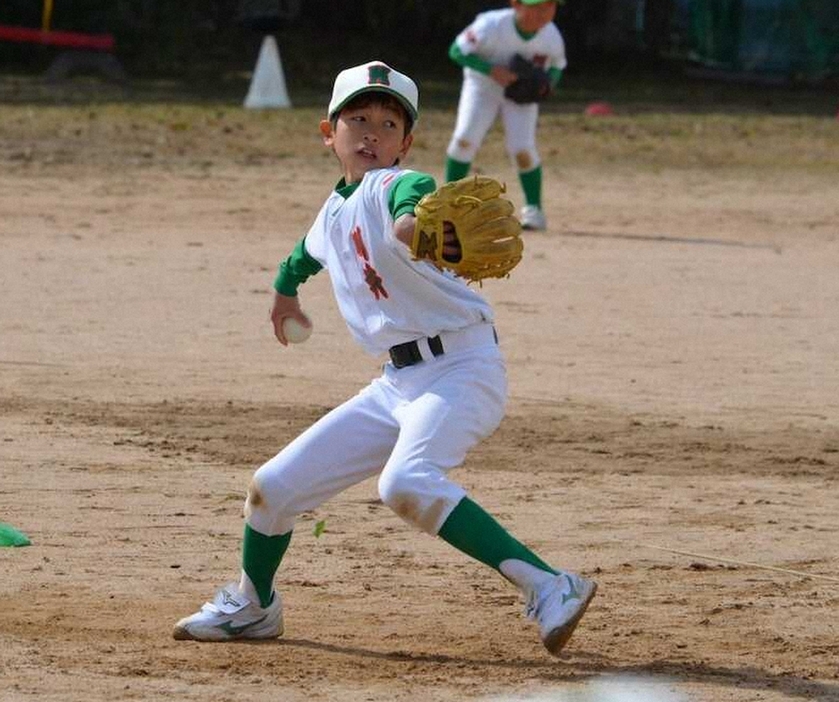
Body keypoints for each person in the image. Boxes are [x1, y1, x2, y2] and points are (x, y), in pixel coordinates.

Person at [173, 60, 596, 656]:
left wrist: (410, 227)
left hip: (462, 370)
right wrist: (283, 294)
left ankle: (552, 585)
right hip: (397, 383)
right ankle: (254, 605)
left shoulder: (398, 185)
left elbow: (407, 207)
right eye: (359, 119)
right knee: (272, 487)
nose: (372, 133)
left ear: (406, 142)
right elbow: (304, 254)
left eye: (388, 123)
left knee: (406, 481)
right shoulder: (333, 210)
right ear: (330, 133)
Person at [444, 0, 566, 231]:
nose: (544, 13)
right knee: (464, 140)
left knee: (522, 148)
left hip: (519, 94)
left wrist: (547, 84)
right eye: (538, 6)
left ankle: (534, 210)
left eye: (550, 6)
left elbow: (557, 66)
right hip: (482, 87)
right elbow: (457, 51)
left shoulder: (551, 35)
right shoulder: (491, 24)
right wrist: (491, 70)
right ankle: (449, 206)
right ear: (516, 5)